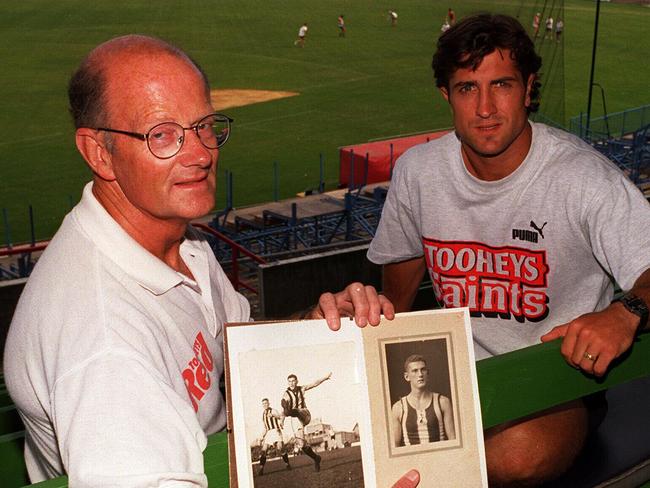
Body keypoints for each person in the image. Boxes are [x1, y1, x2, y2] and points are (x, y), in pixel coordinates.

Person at [3, 34, 394, 487]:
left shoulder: (176, 238)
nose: (201, 154)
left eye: (204, 126)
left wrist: (317, 320)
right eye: (162, 134)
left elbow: (231, 341)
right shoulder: (104, 343)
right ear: (99, 152)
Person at [367, 13, 650, 486]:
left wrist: (624, 313)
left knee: (514, 457)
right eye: (466, 88)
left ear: (528, 87)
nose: (485, 108)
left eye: (501, 84)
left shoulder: (582, 178)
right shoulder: (418, 173)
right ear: (446, 96)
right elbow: (394, 296)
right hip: (450, 377)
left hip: (557, 379)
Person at [391, 355, 455, 447]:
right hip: (412, 460)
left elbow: (453, 439)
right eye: (415, 371)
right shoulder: (398, 408)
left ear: (427, 373)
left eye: (423, 370)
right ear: (406, 377)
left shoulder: (442, 402)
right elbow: (395, 447)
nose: (420, 374)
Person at [280, 372, 331, 472]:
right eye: (289, 381)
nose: (292, 383)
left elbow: (314, 383)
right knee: (301, 444)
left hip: (304, 414)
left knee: (291, 411)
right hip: (295, 419)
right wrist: (282, 420)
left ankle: (292, 411)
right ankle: (316, 458)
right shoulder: (286, 394)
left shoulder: (301, 388)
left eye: (293, 381)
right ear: (288, 383)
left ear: (297, 381)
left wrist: (325, 378)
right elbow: (284, 411)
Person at [257, 398, 290, 475]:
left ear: (269, 403)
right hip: (269, 433)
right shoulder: (263, 414)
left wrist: (273, 415)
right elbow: (265, 427)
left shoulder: (273, 410)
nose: (265, 405)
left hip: (276, 431)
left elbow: (281, 417)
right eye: (263, 403)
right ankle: (261, 469)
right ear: (262, 405)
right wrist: (262, 436)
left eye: (266, 403)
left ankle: (287, 464)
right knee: (263, 450)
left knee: (280, 448)